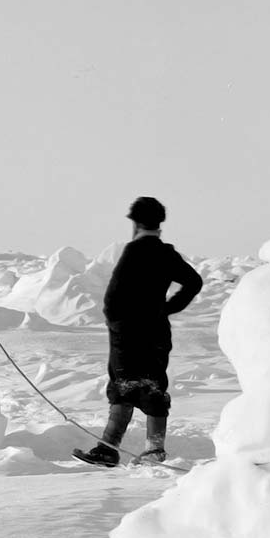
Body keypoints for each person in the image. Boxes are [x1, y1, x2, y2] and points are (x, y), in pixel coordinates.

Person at [75, 197, 203, 466]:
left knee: (123, 387)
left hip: (128, 334)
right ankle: (154, 451)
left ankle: (108, 449)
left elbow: (113, 297)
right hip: (156, 332)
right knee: (153, 387)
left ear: (135, 223)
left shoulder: (134, 251)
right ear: (159, 224)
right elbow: (194, 282)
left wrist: (116, 323)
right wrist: (166, 309)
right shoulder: (166, 253)